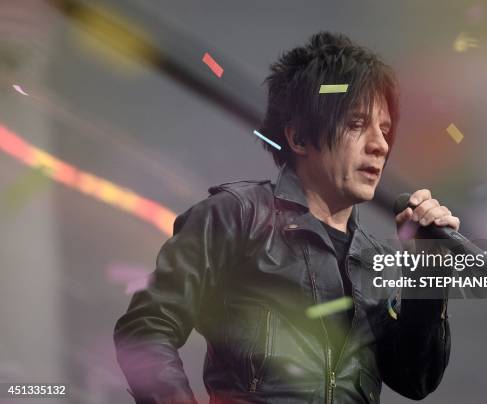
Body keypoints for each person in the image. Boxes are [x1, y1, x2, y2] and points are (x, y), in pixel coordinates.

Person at [114, 31, 460, 404]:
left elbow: (415, 378)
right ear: (298, 138)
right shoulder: (237, 216)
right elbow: (145, 329)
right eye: (357, 124)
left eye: (385, 130)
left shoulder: (376, 261)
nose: (379, 145)